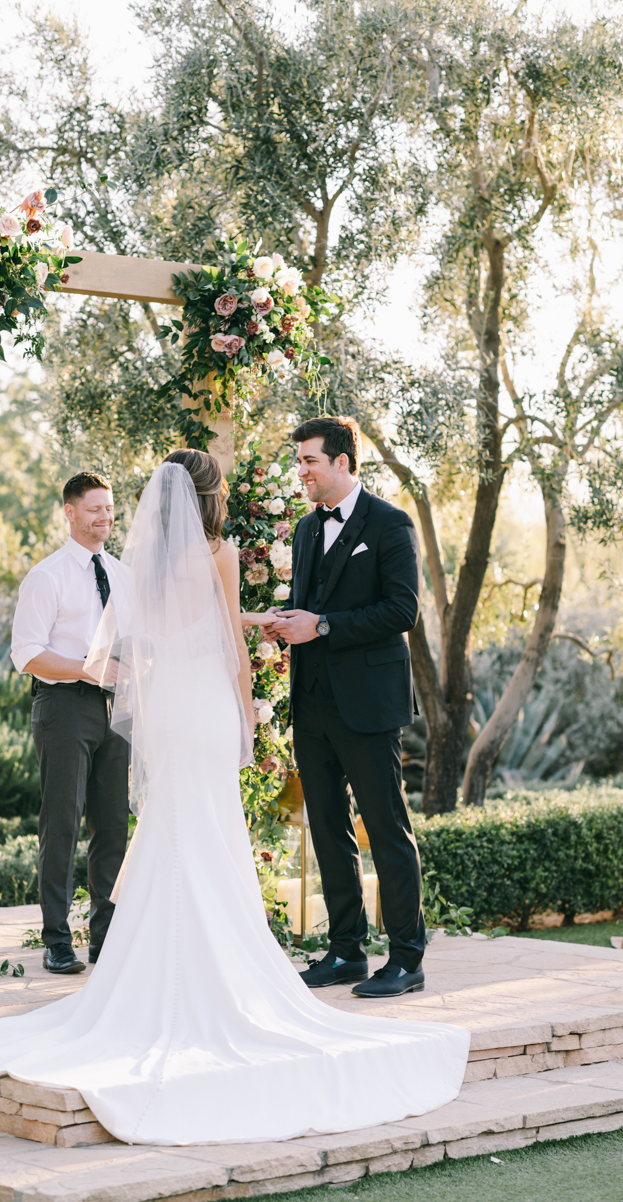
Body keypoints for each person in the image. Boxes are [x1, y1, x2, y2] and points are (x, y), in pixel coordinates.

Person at [0, 448, 468, 1145]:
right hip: (209, 702)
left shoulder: (139, 566)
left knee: (169, 829)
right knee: (212, 831)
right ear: (210, 496)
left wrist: (236, 631)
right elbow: (228, 644)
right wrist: (247, 716)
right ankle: (219, 974)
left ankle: (146, 973)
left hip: (167, 708)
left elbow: (145, 642)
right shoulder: (221, 550)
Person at [263, 416, 427, 998]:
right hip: (311, 707)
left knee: (386, 830)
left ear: (343, 462)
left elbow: (401, 611)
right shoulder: (307, 532)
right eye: (301, 461)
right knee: (329, 832)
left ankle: (407, 959)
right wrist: (286, 625)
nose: (301, 471)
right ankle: (346, 953)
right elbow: (309, 610)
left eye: (310, 460)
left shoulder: (390, 524)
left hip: (369, 706)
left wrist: (324, 625)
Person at [11, 471, 129, 973]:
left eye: (109, 509)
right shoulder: (47, 576)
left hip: (117, 708)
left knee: (114, 824)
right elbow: (27, 654)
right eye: (95, 509)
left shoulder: (123, 574)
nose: (106, 517)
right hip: (64, 708)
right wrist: (88, 667)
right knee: (61, 823)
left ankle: (105, 938)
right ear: (70, 512)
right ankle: (58, 940)